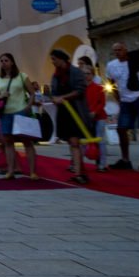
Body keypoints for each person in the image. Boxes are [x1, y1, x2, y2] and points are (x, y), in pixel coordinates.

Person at [0, 53, 37, 180]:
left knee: (27, 142)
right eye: (1, 60)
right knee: (8, 142)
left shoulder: (22, 76)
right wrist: (1, 96)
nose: (3, 62)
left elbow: (32, 93)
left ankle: (33, 172)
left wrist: (28, 106)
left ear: (12, 62)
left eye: (6, 60)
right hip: (5, 112)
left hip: (20, 111)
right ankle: (11, 170)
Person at [104, 42, 139, 171]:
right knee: (121, 128)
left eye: (120, 49)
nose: (117, 52)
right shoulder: (111, 65)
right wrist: (117, 97)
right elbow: (110, 83)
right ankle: (125, 159)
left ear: (125, 50)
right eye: (115, 51)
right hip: (125, 101)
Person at [49, 49, 91, 184]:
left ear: (62, 59)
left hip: (75, 110)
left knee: (74, 141)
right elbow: (53, 91)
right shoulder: (56, 75)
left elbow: (80, 89)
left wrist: (63, 98)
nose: (53, 62)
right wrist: (55, 98)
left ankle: (78, 172)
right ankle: (80, 170)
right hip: (64, 111)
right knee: (71, 141)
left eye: (54, 59)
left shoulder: (75, 72)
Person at [79, 57, 108, 172]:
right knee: (83, 141)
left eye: (88, 73)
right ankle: (79, 164)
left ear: (92, 74)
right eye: (84, 74)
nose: (86, 76)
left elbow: (102, 103)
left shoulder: (99, 88)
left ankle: (102, 164)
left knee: (100, 140)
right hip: (86, 118)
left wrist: (95, 112)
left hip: (99, 117)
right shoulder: (81, 90)